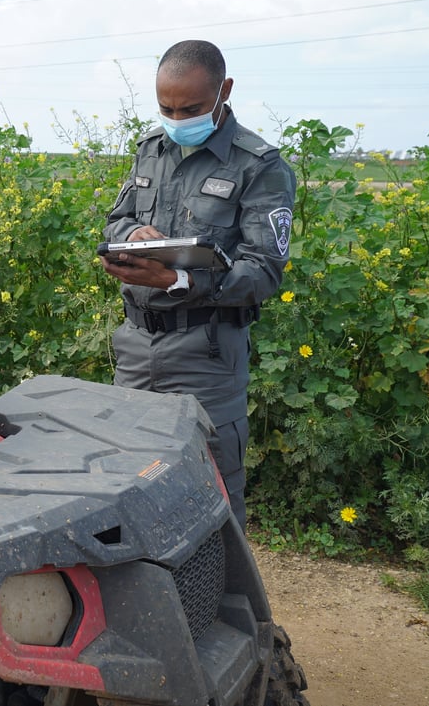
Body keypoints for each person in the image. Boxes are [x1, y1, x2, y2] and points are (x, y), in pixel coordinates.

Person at [100, 39, 295, 529]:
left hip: (206, 356)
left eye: (191, 108)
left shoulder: (260, 167)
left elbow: (264, 271)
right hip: (136, 348)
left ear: (223, 91)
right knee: (131, 486)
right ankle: (151, 604)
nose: (177, 117)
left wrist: (180, 279)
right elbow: (116, 220)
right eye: (166, 107)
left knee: (213, 498)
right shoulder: (151, 150)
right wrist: (130, 235)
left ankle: (227, 608)